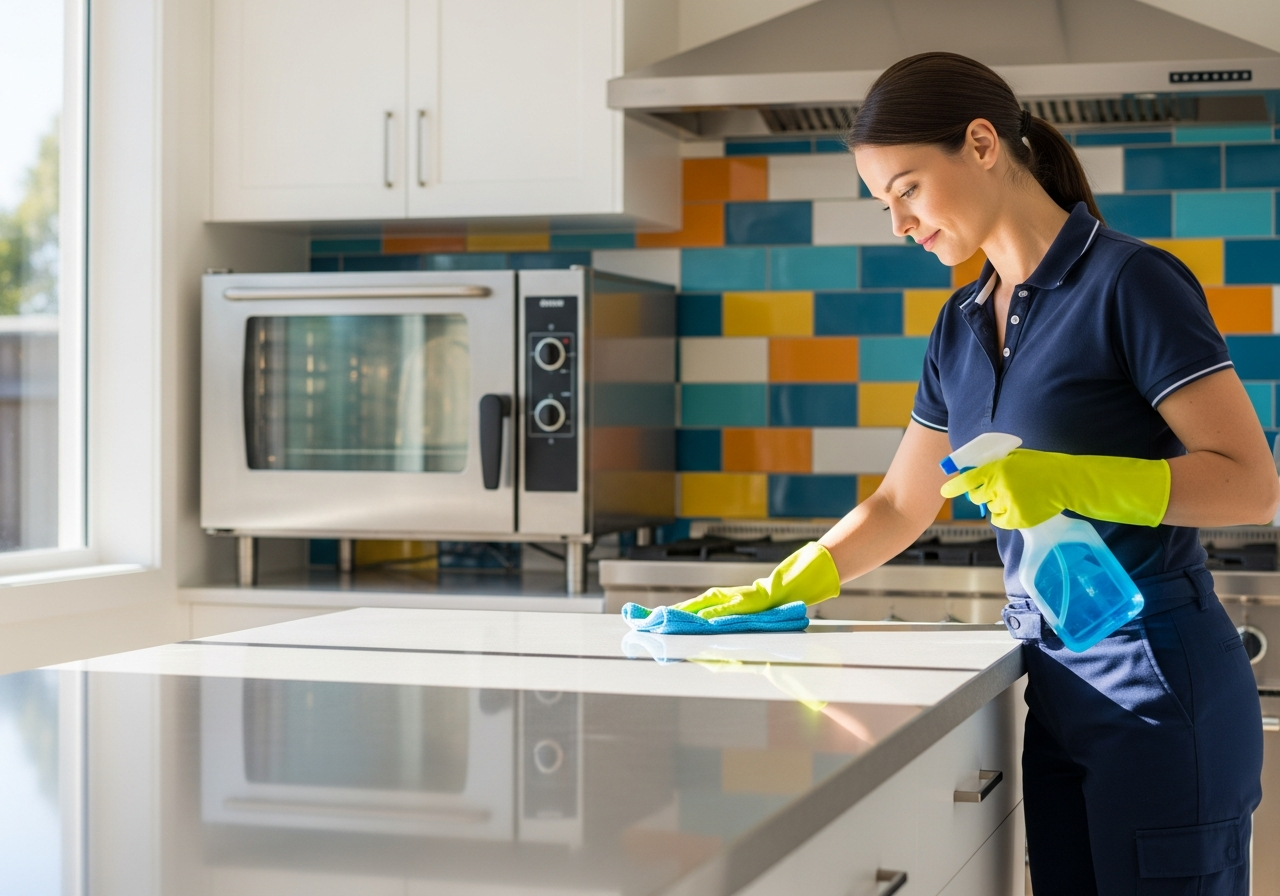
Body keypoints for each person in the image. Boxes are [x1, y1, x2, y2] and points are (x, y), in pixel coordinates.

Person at [669, 52, 1277, 894]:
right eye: (885, 203)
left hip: (1157, 677)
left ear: (983, 144)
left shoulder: (1130, 282)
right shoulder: (958, 325)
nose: (899, 223)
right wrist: (789, 582)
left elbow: (1251, 481)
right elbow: (900, 502)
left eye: (908, 189)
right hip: (1054, 683)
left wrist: (1073, 480)